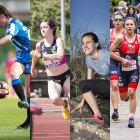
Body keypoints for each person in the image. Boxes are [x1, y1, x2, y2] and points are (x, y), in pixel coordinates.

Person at [31, 19, 70, 120]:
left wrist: (42, 55)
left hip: (65, 76)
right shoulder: (39, 45)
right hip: (52, 78)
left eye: (45, 27)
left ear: (52, 28)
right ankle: (64, 104)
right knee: (54, 100)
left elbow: (60, 56)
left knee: (73, 97)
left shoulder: (58, 41)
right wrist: (33, 67)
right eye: (41, 28)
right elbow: (36, 55)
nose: (42, 30)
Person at [0, 5, 30, 129]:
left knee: (29, 91)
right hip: (22, 56)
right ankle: (23, 101)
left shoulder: (13, 24)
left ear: (2, 16)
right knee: (13, 73)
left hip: (30, 54)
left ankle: (29, 120)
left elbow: (7, 38)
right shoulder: (11, 23)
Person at [72, 32, 110, 126]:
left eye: (88, 42)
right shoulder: (88, 59)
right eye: (83, 43)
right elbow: (88, 83)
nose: (85, 45)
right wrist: (83, 102)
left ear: (96, 44)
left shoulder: (107, 55)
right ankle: (98, 117)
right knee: (83, 83)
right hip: (108, 86)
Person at [110, 17, 140, 128]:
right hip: (122, 71)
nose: (129, 26)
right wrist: (122, 60)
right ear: (125, 26)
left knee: (132, 92)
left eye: (131, 24)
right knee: (123, 97)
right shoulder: (120, 38)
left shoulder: (138, 38)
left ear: (135, 26)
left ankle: (131, 118)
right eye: (127, 24)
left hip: (134, 70)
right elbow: (110, 51)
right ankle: (125, 95)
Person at [110, 13, 125, 121]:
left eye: (120, 19)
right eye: (116, 19)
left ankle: (126, 94)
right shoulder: (108, 32)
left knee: (125, 89)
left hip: (126, 62)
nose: (118, 21)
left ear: (123, 21)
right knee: (114, 85)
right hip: (112, 62)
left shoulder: (127, 32)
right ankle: (115, 111)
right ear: (113, 21)